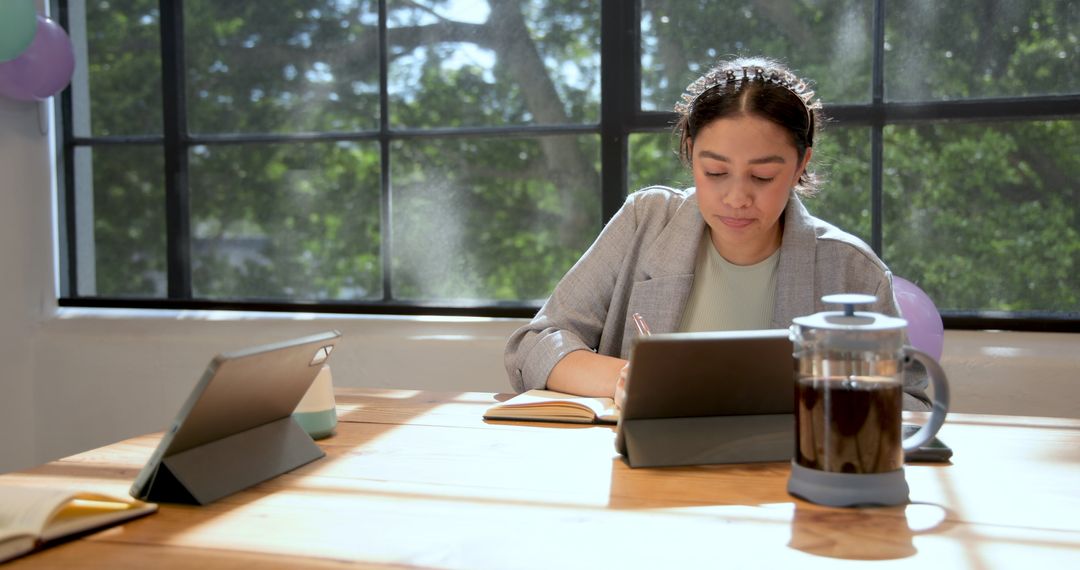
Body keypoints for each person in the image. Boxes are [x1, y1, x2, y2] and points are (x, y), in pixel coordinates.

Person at [504, 56, 931, 411]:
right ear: (689, 152)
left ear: (801, 165)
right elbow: (534, 345)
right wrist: (630, 380)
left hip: (786, 487)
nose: (737, 197)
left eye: (763, 176)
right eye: (716, 172)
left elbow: (910, 405)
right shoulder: (646, 220)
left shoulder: (852, 269)